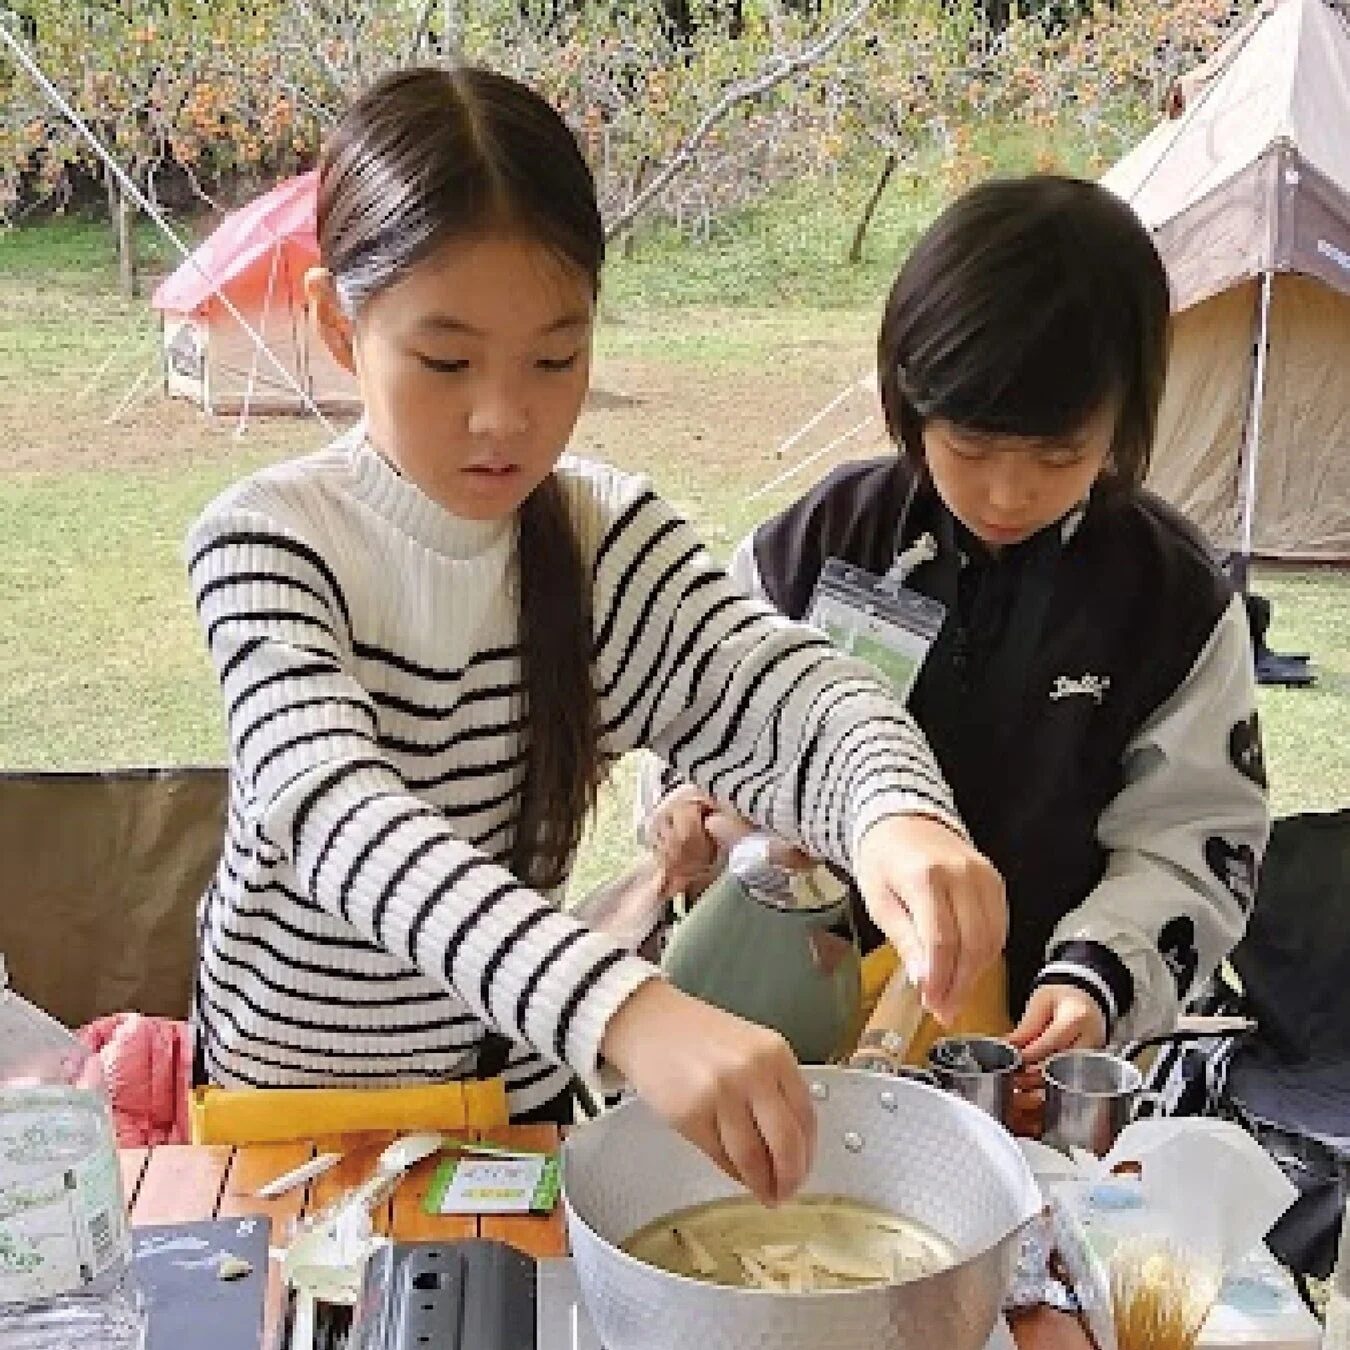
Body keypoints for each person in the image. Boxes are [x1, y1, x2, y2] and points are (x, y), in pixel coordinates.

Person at [183, 64, 1006, 1207]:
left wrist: (895, 816)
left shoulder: (600, 536)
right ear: (336, 321)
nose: (505, 417)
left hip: (509, 1098)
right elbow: (333, 814)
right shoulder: (267, 541)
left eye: (556, 358)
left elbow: (787, 691)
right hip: (292, 1109)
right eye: (447, 360)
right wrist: (624, 1008)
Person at [643, 174, 1270, 1069]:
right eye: (970, 449)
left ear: (1124, 416)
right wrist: (688, 810)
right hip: (806, 1015)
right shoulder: (825, 541)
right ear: (910, 400)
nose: (1009, 494)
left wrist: (1098, 977)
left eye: (1061, 456)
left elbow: (1196, 840)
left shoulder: (1169, 600)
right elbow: (702, 719)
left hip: (1029, 1045)